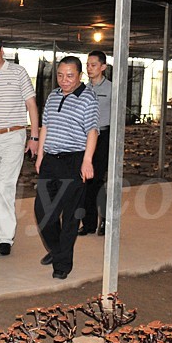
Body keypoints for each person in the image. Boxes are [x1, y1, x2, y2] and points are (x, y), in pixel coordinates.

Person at [34, 56, 99, 279]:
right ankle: (57, 249)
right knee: (42, 211)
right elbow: (45, 126)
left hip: (74, 161)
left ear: (79, 75)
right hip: (50, 161)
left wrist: (87, 160)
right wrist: (40, 155)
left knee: (70, 216)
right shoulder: (53, 96)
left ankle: (62, 264)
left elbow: (92, 131)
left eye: (70, 76)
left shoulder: (88, 98)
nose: (64, 80)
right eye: (60, 75)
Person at [0, 33, 39, 256]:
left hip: (13, 135)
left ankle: (5, 238)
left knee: (4, 187)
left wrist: (34, 137)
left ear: (2, 50)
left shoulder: (18, 72)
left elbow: (31, 104)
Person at [79, 50, 112, 237]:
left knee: (98, 181)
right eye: (87, 65)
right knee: (85, 181)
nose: (89, 68)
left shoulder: (112, 89)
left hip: (103, 137)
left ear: (103, 67)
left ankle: (106, 220)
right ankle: (88, 224)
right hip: (84, 138)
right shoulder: (82, 90)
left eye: (93, 65)